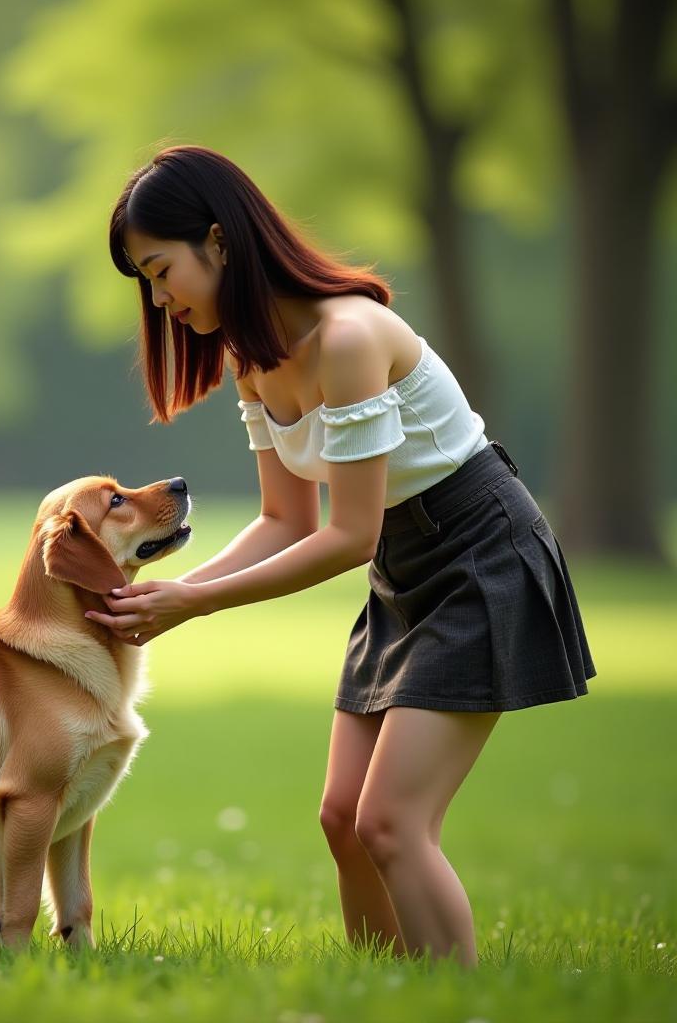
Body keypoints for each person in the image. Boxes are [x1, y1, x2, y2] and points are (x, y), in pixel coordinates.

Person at [86, 145, 594, 968]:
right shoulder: (254, 361)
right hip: (407, 560)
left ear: (217, 242)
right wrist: (171, 594)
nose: (159, 297)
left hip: (481, 554)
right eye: (145, 281)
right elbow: (285, 519)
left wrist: (196, 603)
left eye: (159, 269)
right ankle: (386, 998)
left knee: (390, 824)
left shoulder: (349, 338)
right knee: (343, 819)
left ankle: (458, 1002)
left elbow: (345, 535)